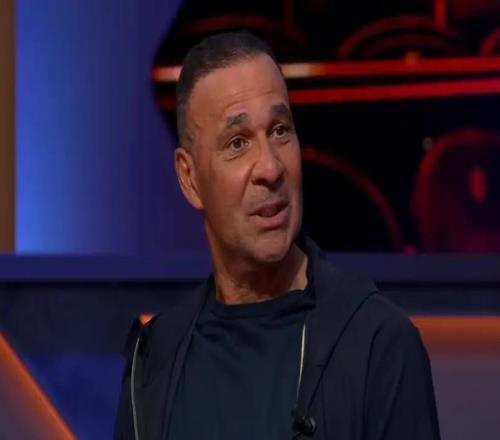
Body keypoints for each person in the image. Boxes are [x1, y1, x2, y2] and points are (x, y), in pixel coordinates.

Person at [114, 31, 440, 440]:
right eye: (237, 143)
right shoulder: (154, 360)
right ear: (189, 177)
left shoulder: (378, 344)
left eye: (280, 131)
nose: (270, 167)